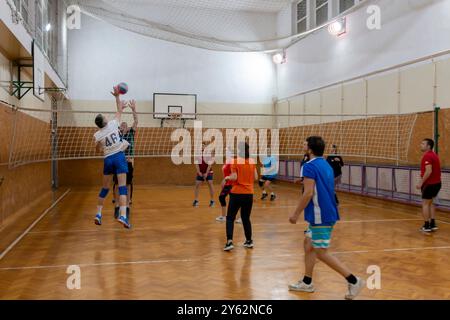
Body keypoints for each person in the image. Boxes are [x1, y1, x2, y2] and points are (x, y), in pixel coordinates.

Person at [288, 136, 364, 300]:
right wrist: (303, 180)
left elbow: (308, 193)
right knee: (308, 244)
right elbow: (319, 182)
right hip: (327, 211)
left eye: (305, 144)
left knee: (321, 252)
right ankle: (307, 282)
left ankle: (354, 280)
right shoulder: (325, 164)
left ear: (309, 149)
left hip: (320, 215)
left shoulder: (308, 166)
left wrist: (295, 214)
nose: (303, 145)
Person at [93, 86, 131, 229]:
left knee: (105, 188)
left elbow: (97, 150)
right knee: (122, 188)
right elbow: (119, 109)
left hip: (108, 159)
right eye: (104, 116)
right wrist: (116, 96)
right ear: (105, 121)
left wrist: (98, 143)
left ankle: (98, 214)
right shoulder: (114, 124)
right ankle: (123, 216)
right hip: (119, 157)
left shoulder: (97, 135)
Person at [223, 142, 258, 251]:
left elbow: (234, 177)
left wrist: (227, 177)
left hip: (237, 193)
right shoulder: (252, 162)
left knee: (230, 218)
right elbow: (256, 177)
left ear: (239, 150)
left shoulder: (235, 161)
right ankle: (249, 241)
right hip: (249, 194)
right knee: (246, 218)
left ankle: (229, 242)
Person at [113, 100, 138, 219]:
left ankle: (127, 206)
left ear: (128, 128)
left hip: (128, 162)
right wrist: (120, 109)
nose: (123, 125)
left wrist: (133, 109)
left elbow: (136, 121)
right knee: (117, 185)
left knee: (128, 184)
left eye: (125, 125)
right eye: (122, 125)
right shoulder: (117, 134)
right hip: (118, 161)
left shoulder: (131, 133)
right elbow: (116, 121)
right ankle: (117, 206)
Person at [416, 138, 441, 233]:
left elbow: (428, 171)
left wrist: (421, 182)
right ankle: (433, 224)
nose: (421, 145)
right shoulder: (434, 155)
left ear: (428, 146)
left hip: (429, 184)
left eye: (423, 144)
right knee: (431, 203)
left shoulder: (427, 156)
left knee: (425, 204)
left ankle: (426, 226)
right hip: (437, 183)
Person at [216, 149, 242, 224]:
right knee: (224, 198)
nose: (226, 153)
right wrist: (224, 180)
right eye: (225, 152)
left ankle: (241, 217)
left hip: (231, 184)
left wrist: (225, 179)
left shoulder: (232, 162)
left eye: (227, 152)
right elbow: (226, 172)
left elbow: (234, 173)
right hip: (227, 183)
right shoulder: (227, 161)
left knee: (225, 198)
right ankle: (224, 216)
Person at [193, 143, 215, 207]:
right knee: (197, 184)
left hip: (208, 171)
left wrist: (206, 173)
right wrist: (199, 172)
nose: (202, 147)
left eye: (203, 146)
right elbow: (196, 164)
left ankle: (212, 201)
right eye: (201, 146)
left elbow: (209, 165)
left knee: (210, 183)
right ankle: (196, 200)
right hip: (200, 172)